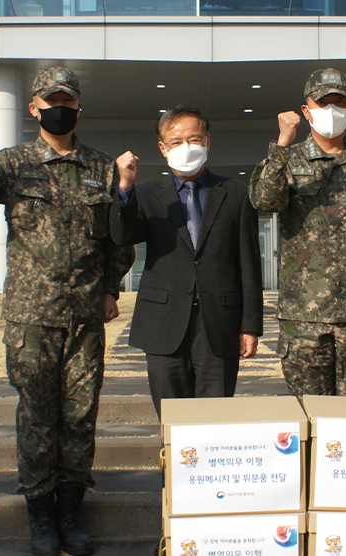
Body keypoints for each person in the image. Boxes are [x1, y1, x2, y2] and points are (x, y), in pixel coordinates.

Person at [0, 67, 135, 556]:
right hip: (32, 316)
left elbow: (117, 238)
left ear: (77, 105)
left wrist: (111, 289)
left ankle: (71, 513)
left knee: (80, 418)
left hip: (85, 321)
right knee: (37, 419)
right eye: (51, 99)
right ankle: (41, 516)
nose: (59, 106)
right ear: (34, 107)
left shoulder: (100, 167)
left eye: (67, 98)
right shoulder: (14, 163)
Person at [249, 68, 346, 398]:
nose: (332, 110)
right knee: (309, 416)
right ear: (306, 112)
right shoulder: (288, 159)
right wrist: (282, 144)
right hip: (304, 317)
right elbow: (264, 199)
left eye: (339, 103)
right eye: (323, 103)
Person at [109, 106, 263, 418]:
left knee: (214, 418)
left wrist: (250, 325)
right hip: (163, 323)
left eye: (194, 139)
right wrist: (123, 188)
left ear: (207, 142)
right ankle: (173, 470)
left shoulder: (235, 193)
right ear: (162, 148)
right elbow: (121, 235)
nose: (186, 147)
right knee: (172, 420)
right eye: (176, 141)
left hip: (219, 323)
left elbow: (248, 261)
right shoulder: (148, 193)